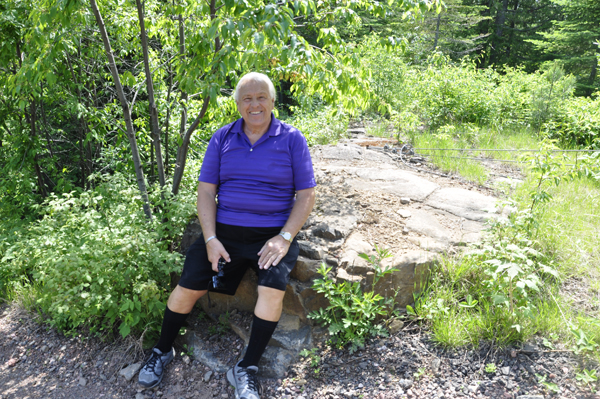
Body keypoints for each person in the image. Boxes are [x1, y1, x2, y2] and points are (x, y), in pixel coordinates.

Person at [138, 72, 316, 399]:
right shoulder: (222, 138)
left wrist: (285, 237)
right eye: (247, 98)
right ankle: (162, 350)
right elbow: (206, 192)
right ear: (237, 104)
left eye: (261, 96)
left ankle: (245, 368)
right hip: (225, 235)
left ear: (273, 101)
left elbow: (306, 195)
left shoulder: (292, 139)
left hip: (272, 237)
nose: (255, 104)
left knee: (271, 291)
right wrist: (210, 239)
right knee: (187, 287)